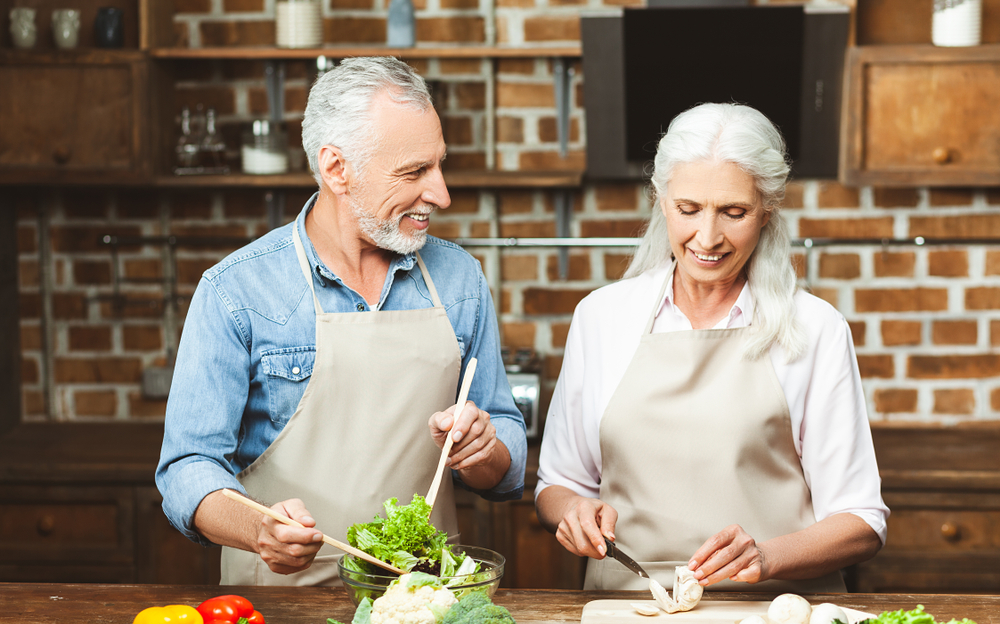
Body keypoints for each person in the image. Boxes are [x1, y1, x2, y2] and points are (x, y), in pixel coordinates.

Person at [156, 57, 527, 586]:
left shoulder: (458, 278)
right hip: (280, 608)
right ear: (336, 169)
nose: (441, 194)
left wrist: (485, 450)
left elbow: (505, 456)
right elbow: (186, 470)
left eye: (439, 165)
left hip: (425, 601)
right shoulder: (236, 291)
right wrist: (258, 528)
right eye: (414, 172)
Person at [534, 102, 888, 592]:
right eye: (688, 209)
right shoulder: (600, 317)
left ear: (767, 210)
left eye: (734, 212)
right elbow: (558, 483)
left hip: (774, 617)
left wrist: (766, 557)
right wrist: (572, 511)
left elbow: (861, 521)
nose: (708, 237)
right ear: (661, 201)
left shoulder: (815, 328)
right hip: (628, 614)